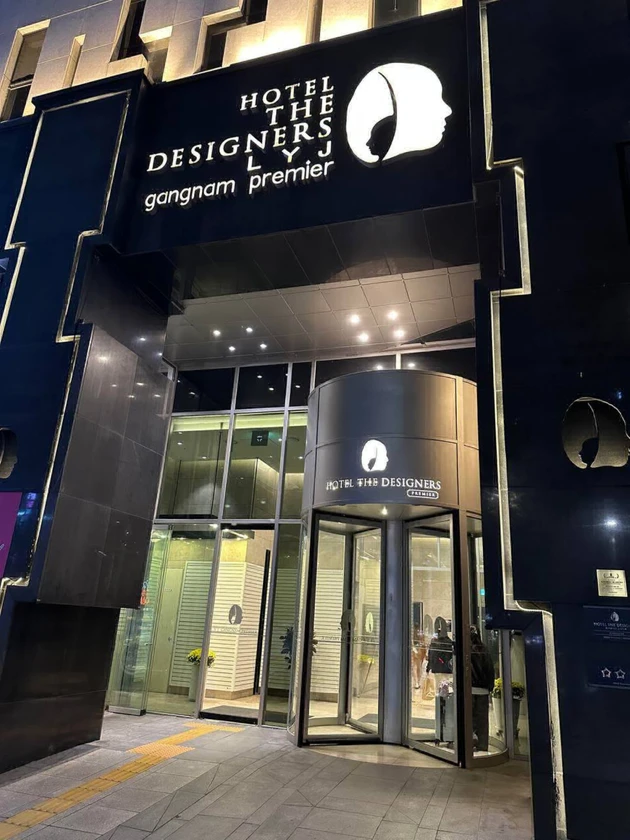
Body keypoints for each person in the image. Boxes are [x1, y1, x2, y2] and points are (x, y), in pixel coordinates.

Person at [470, 625, 495, 752]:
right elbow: (490, 669)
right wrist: (490, 686)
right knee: (483, 720)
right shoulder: (484, 649)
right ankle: (483, 745)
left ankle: (469, 743)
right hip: (483, 690)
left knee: (469, 719)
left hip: (470, 689)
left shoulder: (467, 650)